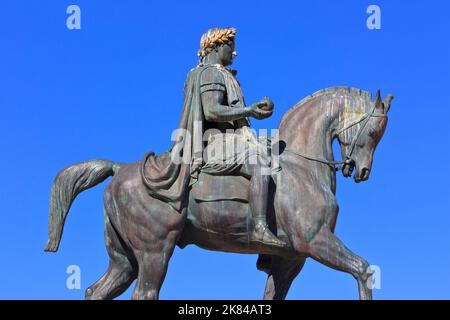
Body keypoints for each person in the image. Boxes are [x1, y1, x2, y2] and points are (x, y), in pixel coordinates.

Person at [141, 27, 286, 248]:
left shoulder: (217, 73)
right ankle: (259, 228)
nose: (234, 54)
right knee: (260, 163)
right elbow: (212, 111)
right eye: (231, 47)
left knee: (274, 152)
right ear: (217, 46)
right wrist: (249, 111)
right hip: (214, 142)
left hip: (228, 139)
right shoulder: (211, 73)